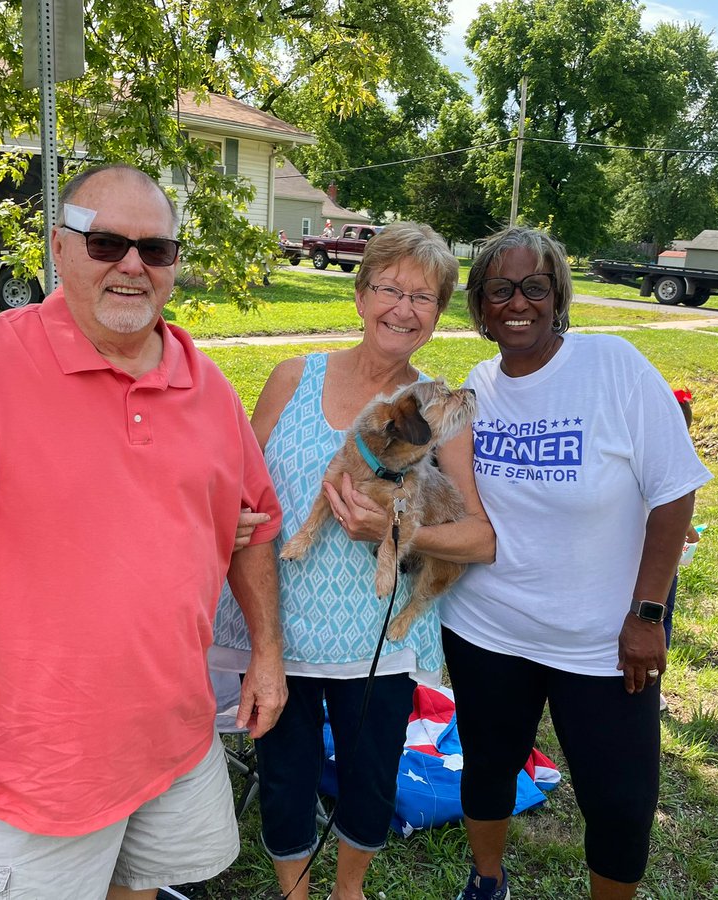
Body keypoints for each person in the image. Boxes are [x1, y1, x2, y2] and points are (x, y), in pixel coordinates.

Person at [0, 163, 288, 900]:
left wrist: (269, 656)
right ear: (58, 248)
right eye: (107, 244)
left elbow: (250, 529)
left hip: (172, 741)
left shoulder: (206, 384)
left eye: (155, 250)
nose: (132, 266)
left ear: (175, 266)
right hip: (36, 769)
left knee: (142, 887)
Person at [212, 221, 495, 900]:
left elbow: (481, 538)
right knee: (283, 771)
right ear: (362, 293)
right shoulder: (290, 379)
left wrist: (401, 536)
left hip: (375, 639)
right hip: (278, 631)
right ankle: (294, 893)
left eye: (423, 297)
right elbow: (237, 488)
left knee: (370, 776)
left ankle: (348, 891)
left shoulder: (434, 409)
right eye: (390, 288)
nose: (403, 308)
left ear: (438, 314)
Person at [440, 226, 712, 900]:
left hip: (600, 645)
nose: (518, 303)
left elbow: (676, 492)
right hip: (488, 630)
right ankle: (486, 880)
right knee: (487, 769)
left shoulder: (613, 367)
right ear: (480, 305)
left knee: (620, 802)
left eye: (535, 286)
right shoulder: (480, 385)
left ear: (558, 295)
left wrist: (649, 613)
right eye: (499, 289)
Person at [660, 388, 703, 713]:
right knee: (662, 620)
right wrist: (692, 535)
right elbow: (680, 514)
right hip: (660, 566)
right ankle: (653, 685)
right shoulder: (677, 462)